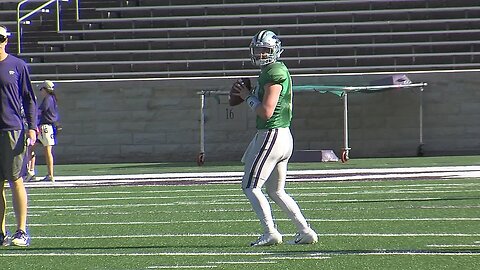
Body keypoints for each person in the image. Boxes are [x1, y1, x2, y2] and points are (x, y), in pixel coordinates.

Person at [232, 30, 318, 246]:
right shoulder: (271, 70)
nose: (261, 54)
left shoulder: (274, 72)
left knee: (251, 186)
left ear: (276, 51)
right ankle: (305, 231)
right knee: (276, 190)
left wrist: (247, 97)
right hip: (281, 136)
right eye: (258, 50)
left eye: (265, 50)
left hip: (272, 133)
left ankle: (270, 232)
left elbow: (266, 111)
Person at [0, 25, 36, 247]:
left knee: (15, 180)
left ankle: (21, 230)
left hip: (12, 129)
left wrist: (32, 126)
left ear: (6, 40)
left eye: (0, 38)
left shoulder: (17, 65)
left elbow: (29, 98)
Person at [26, 80, 58, 183]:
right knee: (31, 147)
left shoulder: (48, 99)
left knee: (45, 151)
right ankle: (31, 172)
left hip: (44, 128)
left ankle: (49, 174)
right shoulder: (52, 99)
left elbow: (40, 112)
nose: (41, 91)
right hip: (47, 128)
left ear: (45, 89)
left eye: (41, 89)